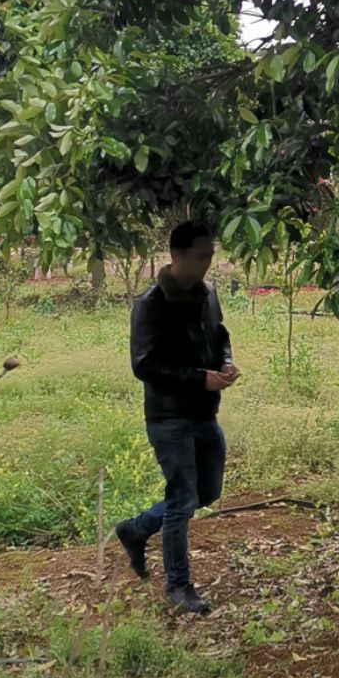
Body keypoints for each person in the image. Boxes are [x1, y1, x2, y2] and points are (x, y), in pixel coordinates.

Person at [114, 219, 239, 615]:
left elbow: (219, 334)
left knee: (207, 493)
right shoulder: (151, 305)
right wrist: (199, 378)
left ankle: (135, 529)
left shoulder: (207, 294)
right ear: (177, 255)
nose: (208, 262)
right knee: (182, 498)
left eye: (211, 254)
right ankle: (178, 587)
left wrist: (225, 362)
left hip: (204, 413)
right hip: (169, 419)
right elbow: (144, 365)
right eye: (202, 255)